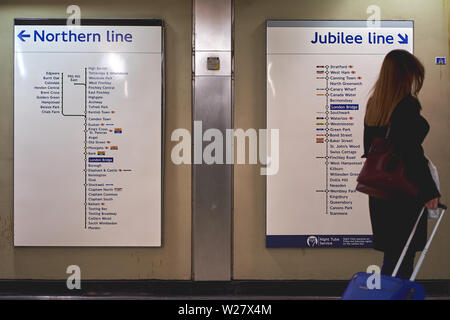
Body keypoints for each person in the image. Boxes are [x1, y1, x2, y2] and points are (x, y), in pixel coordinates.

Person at [363, 49, 440, 279]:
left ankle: (389, 294)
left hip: (380, 192)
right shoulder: (406, 105)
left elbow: (370, 151)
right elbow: (411, 153)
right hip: (403, 191)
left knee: (394, 254)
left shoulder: (374, 104)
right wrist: (429, 192)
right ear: (405, 75)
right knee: (403, 258)